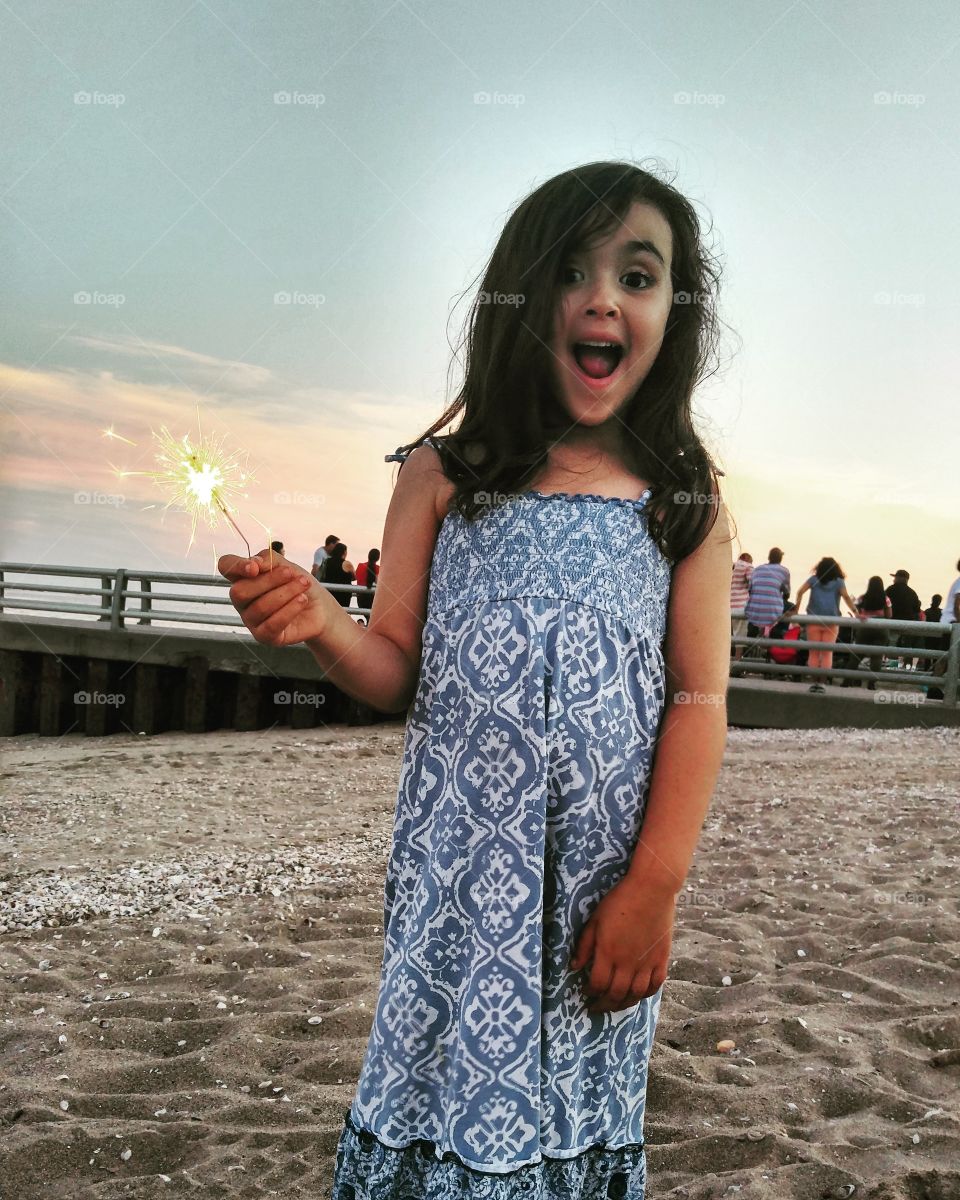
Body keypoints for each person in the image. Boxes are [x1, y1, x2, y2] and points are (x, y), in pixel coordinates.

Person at [218, 160, 734, 1199]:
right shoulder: (445, 474)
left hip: (599, 890)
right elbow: (392, 668)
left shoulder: (684, 501)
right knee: (435, 1087)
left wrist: (655, 887)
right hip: (456, 878)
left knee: (571, 1106)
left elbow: (699, 702)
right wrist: (323, 622)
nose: (602, 299)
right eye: (572, 273)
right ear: (523, 300)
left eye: (638, 276)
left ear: (675, 313)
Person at [789, 557, 864, 692]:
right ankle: (822, 684)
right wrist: (856, 613)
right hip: (832, 621)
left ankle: (814, 683)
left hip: (813, 620)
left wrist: (796, 608)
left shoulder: (813, 580)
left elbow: (800, 591)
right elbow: (846, 597)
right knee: (827, 653)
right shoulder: (839, 582)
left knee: (813, 653)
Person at [845, 575, 891, 690]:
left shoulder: (862, 598)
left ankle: (847, 680)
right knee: (877, 657)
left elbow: (857, 611)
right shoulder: (886, 598)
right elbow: (889, 615)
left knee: (856, 656)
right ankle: (871, 683)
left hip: (865, 626)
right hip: (880, 627)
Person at [744, 547, 790, 656]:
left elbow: (750, 589)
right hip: (773, 611)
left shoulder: (758, 569)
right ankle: (774, 649)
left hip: (754, 610)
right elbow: (787, 593)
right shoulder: (784, 571)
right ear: (780, 559)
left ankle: (748, 653)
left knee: (753, 623)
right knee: (789, 608)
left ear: (769, 557)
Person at [885, 568, 922, 670]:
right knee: (906, 646)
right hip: (907, 623)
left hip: (893, 621)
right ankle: (906, 667)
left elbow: (884, 603)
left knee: (892, 643)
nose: (894, 579)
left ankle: (890, 667)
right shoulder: (912, 593)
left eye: (895, 577)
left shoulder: (890, 590)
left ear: (900, 578)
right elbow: (917, 610)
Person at [730, 551, 753, 660]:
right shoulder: (748, 566)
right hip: (740, 606)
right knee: (740, 637)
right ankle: (738, 663)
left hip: (727, 606)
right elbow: (752, 582)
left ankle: (725, 662)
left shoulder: (732, 565)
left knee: (727, 636)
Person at [318, 541, 355, 608]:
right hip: (343, 595)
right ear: (344, 552)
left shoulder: (326, 561)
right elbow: (354, 577)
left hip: (329, 592)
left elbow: (321, 575)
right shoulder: (346, 563)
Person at [354, 548, 380, 624]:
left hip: (360, 600)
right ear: (378, 558)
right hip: (372, 600)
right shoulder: (378, 569)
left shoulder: (360, 566)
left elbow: (356, 578)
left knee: (369, 619)